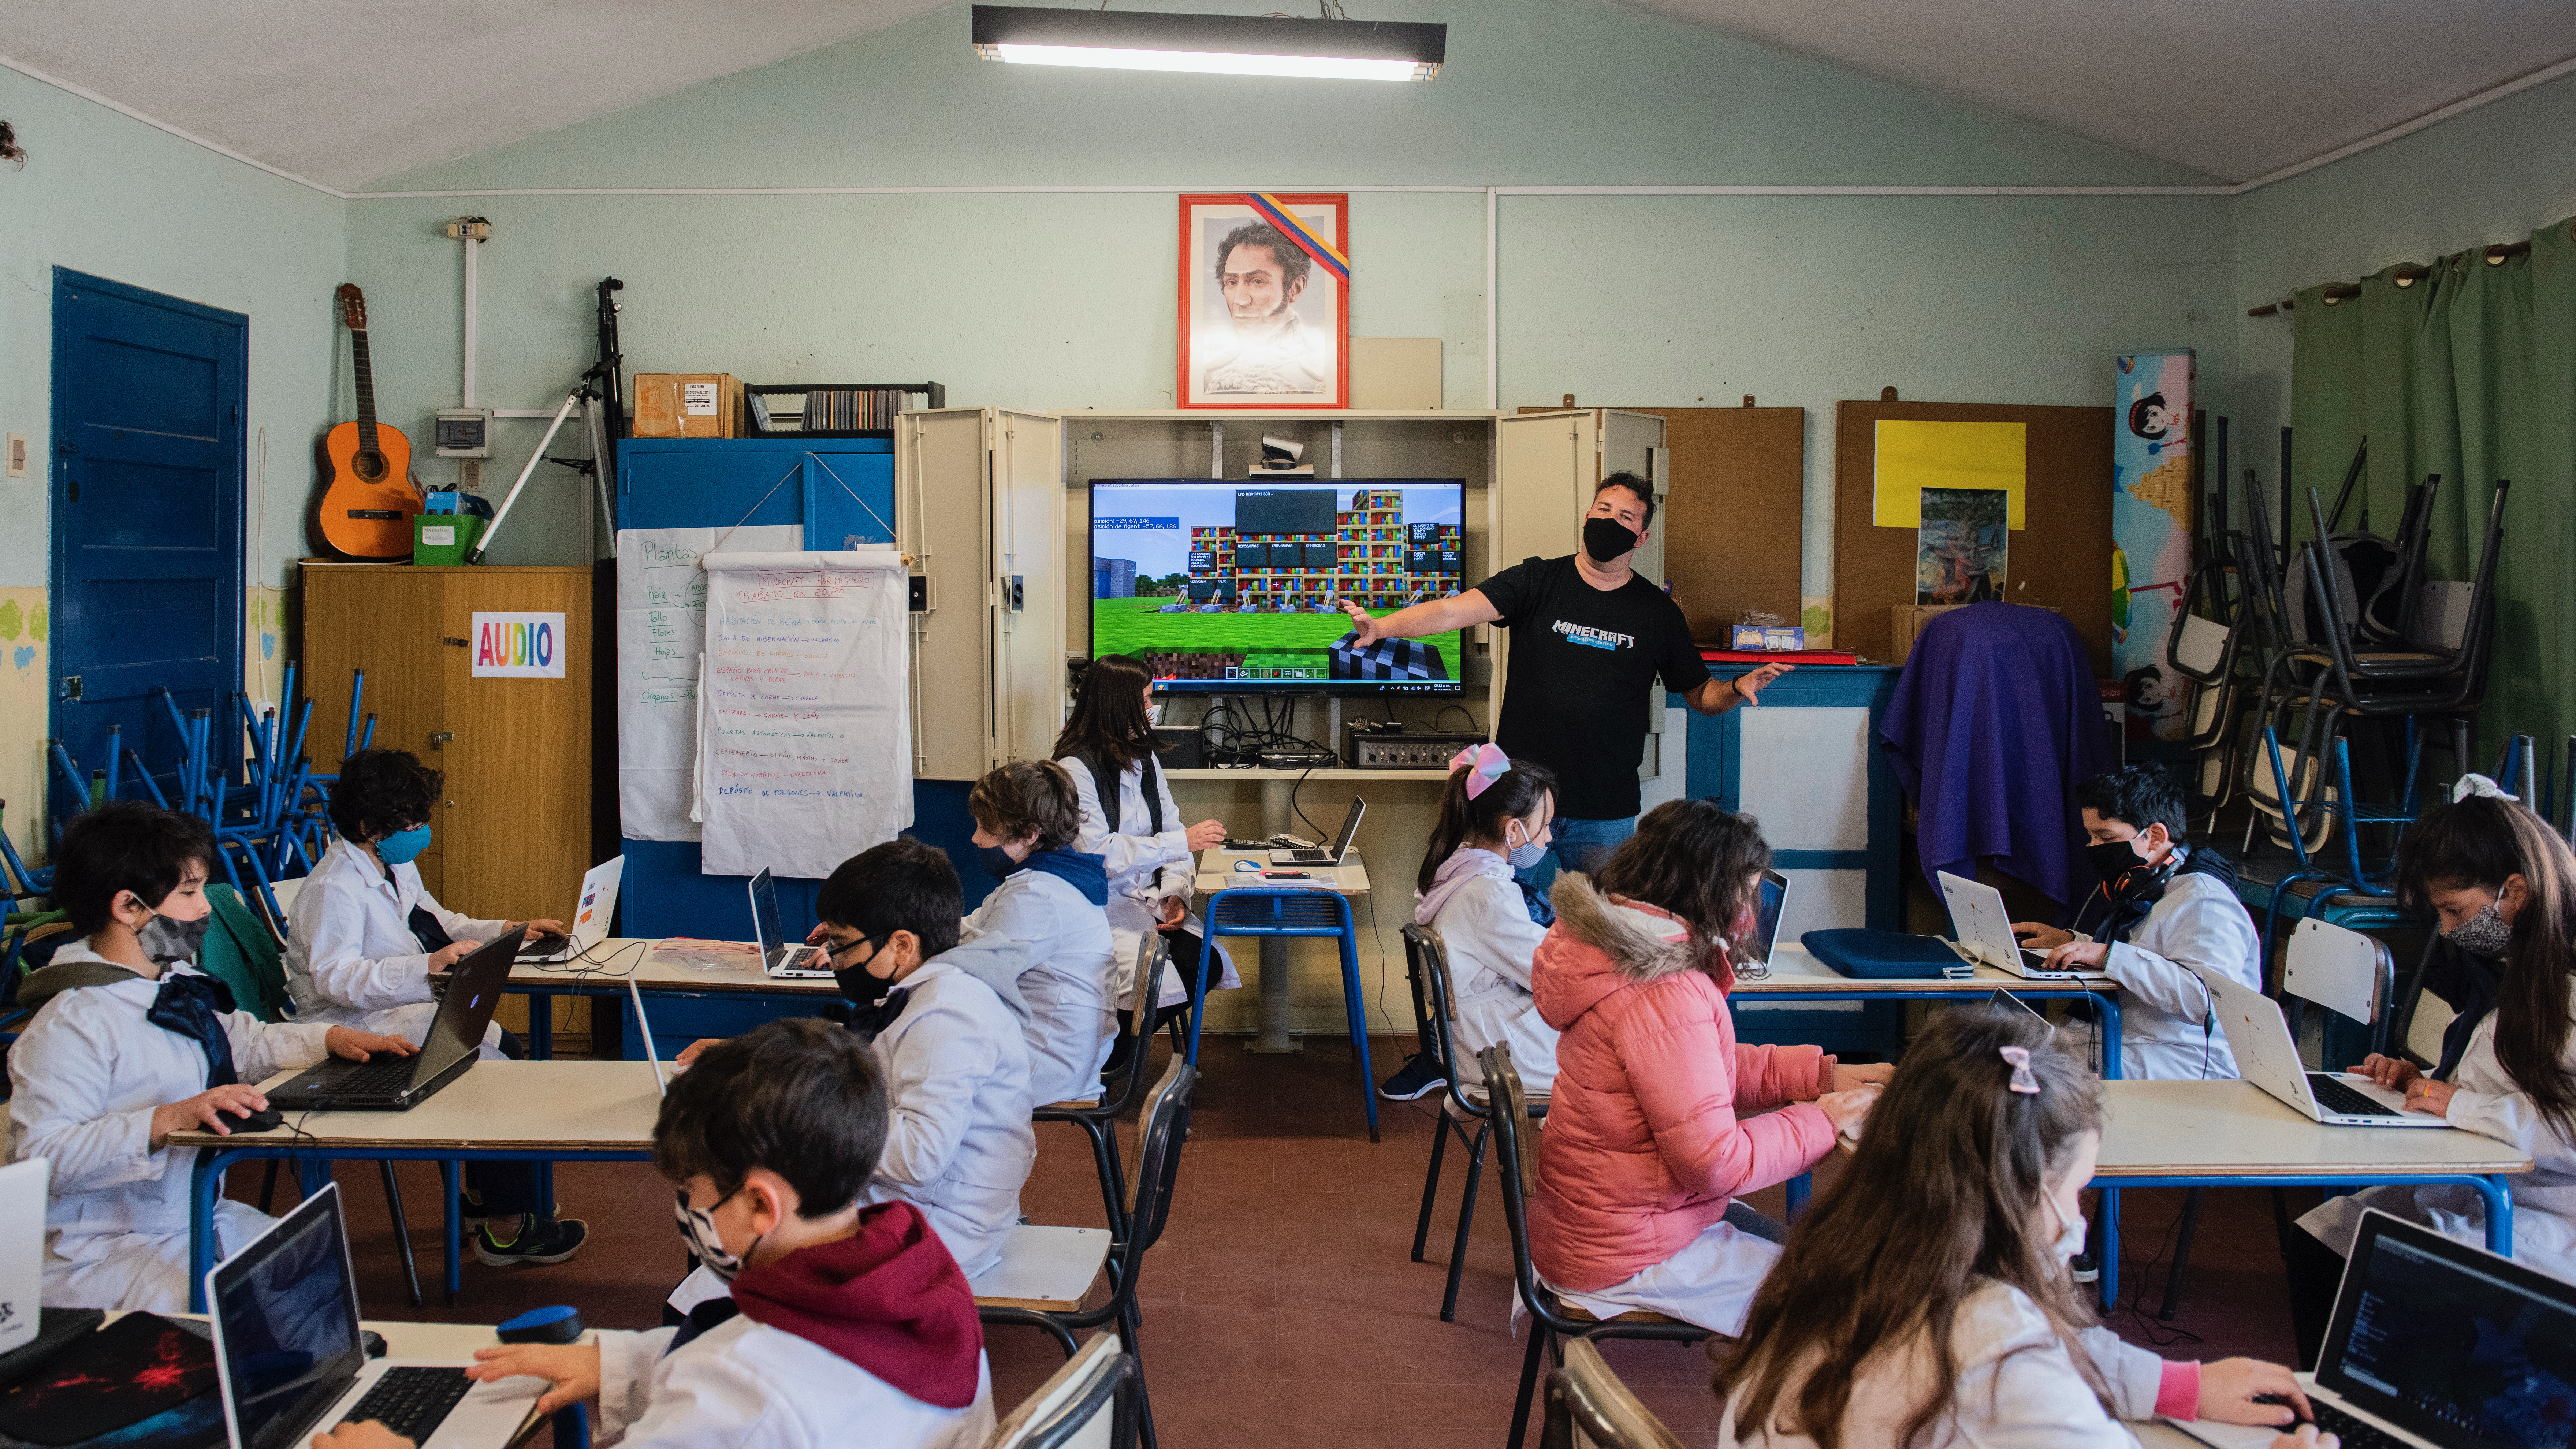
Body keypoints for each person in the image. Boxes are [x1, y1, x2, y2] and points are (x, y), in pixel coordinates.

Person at [317, 1018, 994, 1449]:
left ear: (761, 1203)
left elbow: (746, 1388)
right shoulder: (919, 1284)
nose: (686, 1212)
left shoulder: (742, 1388)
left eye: (693, 1192)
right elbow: (762, 1360)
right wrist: (622, 1364)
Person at [1716, 1008, 2322, 1449]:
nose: (2077, 1218)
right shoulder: (1998, 1351)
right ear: (2019, 1195)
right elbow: (2027, 1365)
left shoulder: (1838, 1266)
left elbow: (2053, 1351)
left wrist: (2178, 1385)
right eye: (2075, 1189)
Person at [8, 802, 413, 1312]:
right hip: (97, 1248)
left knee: (312, 1256)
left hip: (190, 1215)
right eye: (188, 892)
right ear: (128, 907)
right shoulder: (72, 1022)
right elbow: (42, 1158)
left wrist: (328, 1039)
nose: (205, 909)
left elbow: (240, 1043)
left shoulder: (172, 983)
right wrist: (164, 1120)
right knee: (239, 1310)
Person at [1528, 799, 1890, 1335]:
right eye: (1746, 891)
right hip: (1633, 1254)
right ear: (1708, 889)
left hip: (1600, 1230)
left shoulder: (1616, 954)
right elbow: (1716, 1162)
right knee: (1858, 1304)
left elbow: (1696, 1073)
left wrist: (1821, 1078)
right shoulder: (1666, 991)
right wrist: (1827, 1118)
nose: (1749, 912)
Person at [1340, 473, 1789, 877]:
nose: (1611, 521)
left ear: (1641, 536)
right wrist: (1381, 628)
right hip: (1520, 805)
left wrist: (1735, 688)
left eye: (1626, 517)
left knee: (1600, 935)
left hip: (1604, 813)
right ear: (1587, 515)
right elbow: (1450, 610)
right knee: (1513, 926)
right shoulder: (1537, 580)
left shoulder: (1657, 613)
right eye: (1604, 509)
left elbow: (1700, 694)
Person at [2285, 779, 2576, 1368]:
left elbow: (2564, 1128)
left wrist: (2461, 1106)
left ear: (2514, 891)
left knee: (2391, 1260)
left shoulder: (2566, 987)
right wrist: (2421, 1079)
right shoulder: (2518, 966)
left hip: (2548, 1210)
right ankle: (2333, 1407)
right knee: (2327, 1232)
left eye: (2454, 910)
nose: (2447, 930)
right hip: (2487, 1179)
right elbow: (2504, 1078)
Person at [283, 746, 584, 1267]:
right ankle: (507, 1231)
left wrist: (510, 932)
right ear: (368, 824)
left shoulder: (389, 864)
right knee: (494, 1077)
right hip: (352, 1028)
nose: (421, 829)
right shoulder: (336, 887)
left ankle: (486, 1196)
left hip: (393, 1011)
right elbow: (334, 979)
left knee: (503, 1043)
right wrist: (426, 968)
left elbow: (438, 921)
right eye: (411, 821)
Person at [809, 838, 1036, 1281]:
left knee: (750, 1235)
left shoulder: (946, 1011)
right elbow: (885, 1054)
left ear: (900, 945)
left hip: (940, 1222)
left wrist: (812, 1110)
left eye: (842, 944)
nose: (834, 960)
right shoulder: (932, 984)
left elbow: (918, 1157)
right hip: (934, 1201)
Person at [2011, 763, 2261, 1080]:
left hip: (2186, 1056)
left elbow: (2208, 1000)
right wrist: (2073, 943)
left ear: (2155, 836)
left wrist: (2105, 956)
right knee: (2008, 1053)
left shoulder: (2204, 902)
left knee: (2028, 1074)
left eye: (2106, 836)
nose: (2093, 848)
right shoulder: (2152, 884)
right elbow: (2146, 952)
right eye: (2090, 836)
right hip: (2133, 1038)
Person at [1052, 653, 1235, 1051]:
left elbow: (1170, 826)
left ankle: (1119, 1051)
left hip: (1146, 903)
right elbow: (1100, 853)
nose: (1151, 711)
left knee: (1207, 963)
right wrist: (1180, 842)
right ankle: (1106, 1057)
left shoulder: (1144, 759)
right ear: (1117, 707)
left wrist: (1174, 894)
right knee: (1156, 978)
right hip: (1101, 909)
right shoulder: (1075, 769)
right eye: (1145, 702)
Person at [1378, 746, 1561, 1102]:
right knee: (1617, 1051)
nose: (1549, 838)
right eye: (1545, 826)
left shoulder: (1460, 868)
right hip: (1493, 1052)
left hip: (1472, 1036)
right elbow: (1550, 973)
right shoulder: (1489, 895)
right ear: (1513, 829)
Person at [961, 759, 1117, 1104]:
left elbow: (971, 975)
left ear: (1030, 834)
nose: (976, 838)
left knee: (903, 1070)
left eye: (986, 827)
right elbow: (971, 931)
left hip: (1047, 1063)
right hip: (1061, 1048)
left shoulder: (1038, 896)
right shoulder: (1049, 877)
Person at [1199, 221, 1330, 396]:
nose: (1240, 300)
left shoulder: (1323, 375)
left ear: (1295, 288)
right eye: (1232, 282)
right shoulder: (1206, 373)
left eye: (1257, 281)